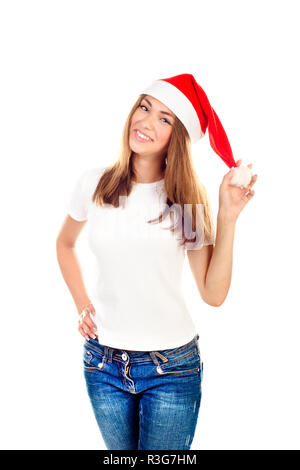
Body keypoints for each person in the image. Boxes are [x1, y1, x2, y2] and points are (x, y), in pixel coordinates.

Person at [56, 73, 257, 450]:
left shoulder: (184, 200)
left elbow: (213, 294)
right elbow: (65, 244)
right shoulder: (94, 184)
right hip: (102, 365)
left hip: (171, 369)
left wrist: (228, 216)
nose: (146, 122)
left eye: (164, 118)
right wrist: (82, 305)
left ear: (177, 137)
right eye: (144, 107)